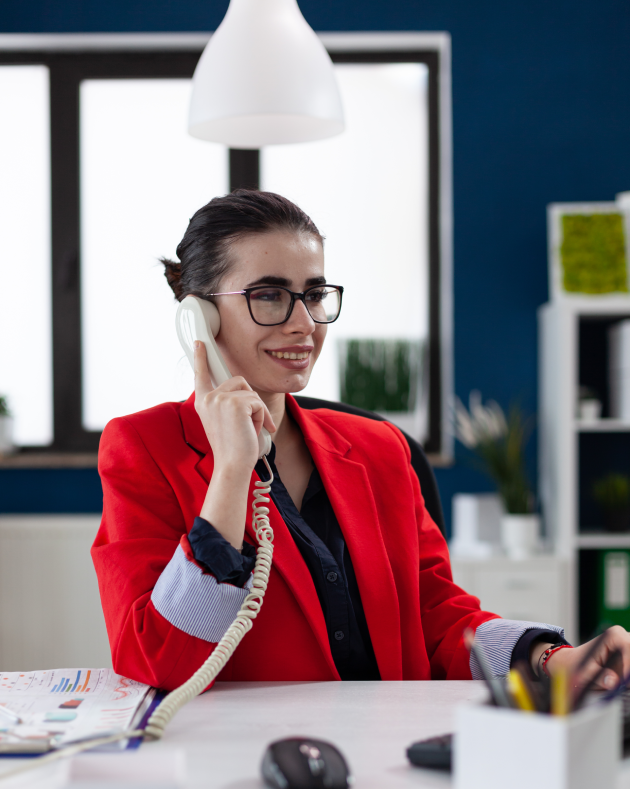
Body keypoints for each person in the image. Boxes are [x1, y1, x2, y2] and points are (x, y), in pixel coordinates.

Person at [92, 190, 630, 693]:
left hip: (390, 754)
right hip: (245, 764)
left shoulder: (379, 447)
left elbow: (438, 617)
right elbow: (157, 659)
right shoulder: (144, 446)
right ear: (199, 315)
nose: (304, 323)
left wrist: (548, 659)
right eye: (270, 296)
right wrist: (233, 470)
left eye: (314, 295)